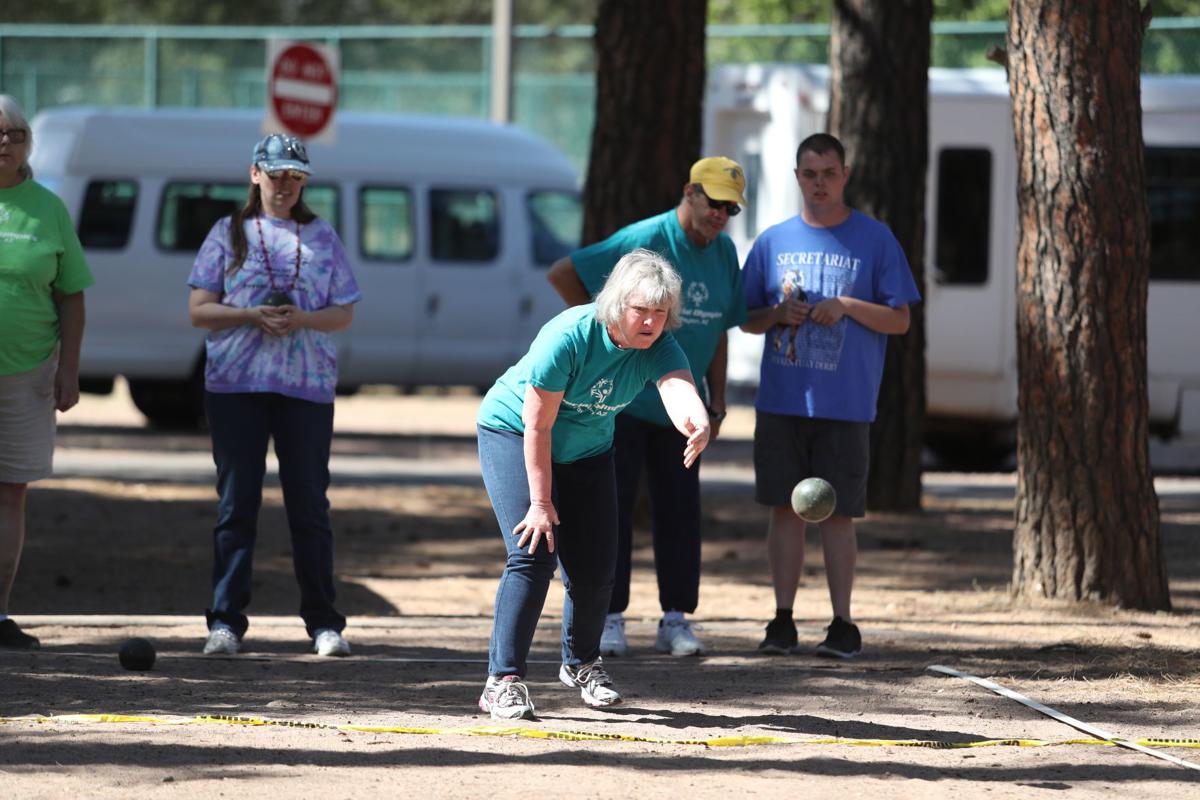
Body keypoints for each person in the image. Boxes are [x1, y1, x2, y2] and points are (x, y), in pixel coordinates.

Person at [476, 249, 711, 720]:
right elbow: (538, 426)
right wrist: (540, 502)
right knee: (533, 552)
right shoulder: (567, 336)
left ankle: (582, 663)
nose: (650, 322)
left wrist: (698, 422)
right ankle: (502, 681)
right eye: (640, 310)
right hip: (515, 433)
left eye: (659, 313)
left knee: (598, 565)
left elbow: (678, 389)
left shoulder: (659, 344)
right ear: (616, 304)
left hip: (587, 449)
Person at [546, 157, 747, 658]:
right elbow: (563, 273)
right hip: (625, 404)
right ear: (689, 192)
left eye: (730, 207)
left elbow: (718, 330)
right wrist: (600, 344)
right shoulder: (646, 238)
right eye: (714, 201)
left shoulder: (723, 253)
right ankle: (610, 617)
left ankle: (675, 618)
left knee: (680, 511)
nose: (721, 214)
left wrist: (715, 401)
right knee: (612, 509)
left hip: (681, 405)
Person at [740, 133, 921, 659]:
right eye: (810, 173)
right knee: (784, 511)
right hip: (782, 401)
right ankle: (782, 620)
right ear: (798, 178)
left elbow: (901, 318)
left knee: (838, 516)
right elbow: (747, 319)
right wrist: (777, 315)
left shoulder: (874, 239)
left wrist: (846, 304)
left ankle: (842, 623)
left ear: (845, 175)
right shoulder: (773, 241)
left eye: (829, 173)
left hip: (845, 405)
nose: (819, 183)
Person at [187, 133, 361, 657]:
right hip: (235, 386)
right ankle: (225, 621)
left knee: (309, 505)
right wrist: (249, 314)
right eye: (276, 173)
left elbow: (344, 312)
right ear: (255, 173)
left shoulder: (322, 235)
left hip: (305, 388)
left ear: (304, 181)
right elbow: (199, 309)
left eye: (295, 176)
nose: (285, 185)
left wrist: (301, 318)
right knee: (236, 505)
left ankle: (324, 623)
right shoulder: (228, 232)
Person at [0, 95, 93, 650]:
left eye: (15, 133)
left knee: (11, 494)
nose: (4, 142)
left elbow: (72, 295)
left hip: (29, 376)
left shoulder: (48, 208)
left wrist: (70, 371)